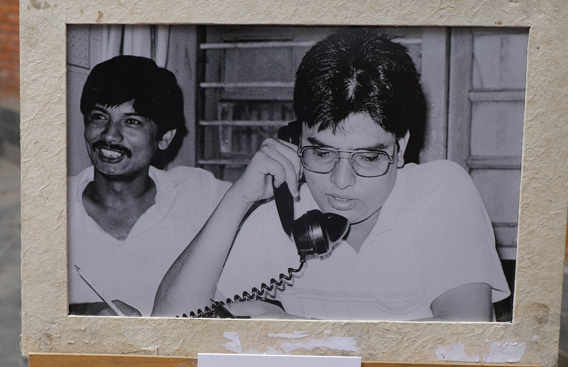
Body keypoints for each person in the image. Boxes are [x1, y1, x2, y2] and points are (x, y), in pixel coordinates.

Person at [152, 29, 510, 321]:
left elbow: (463, 335)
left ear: (400, 148)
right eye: (322, 153)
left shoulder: (441, 191)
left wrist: (296, 332)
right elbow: (169, 321)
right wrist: (239, 198)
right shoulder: (284, 212)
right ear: (295, 140)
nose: (341, 181)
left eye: (368, 158)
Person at [68, 55, 230, 317]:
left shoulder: (201, 194)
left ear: (164, 138)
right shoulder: (47, 205)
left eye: (131, 121)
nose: (110, 135)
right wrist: (84, 311)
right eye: (99, 117)